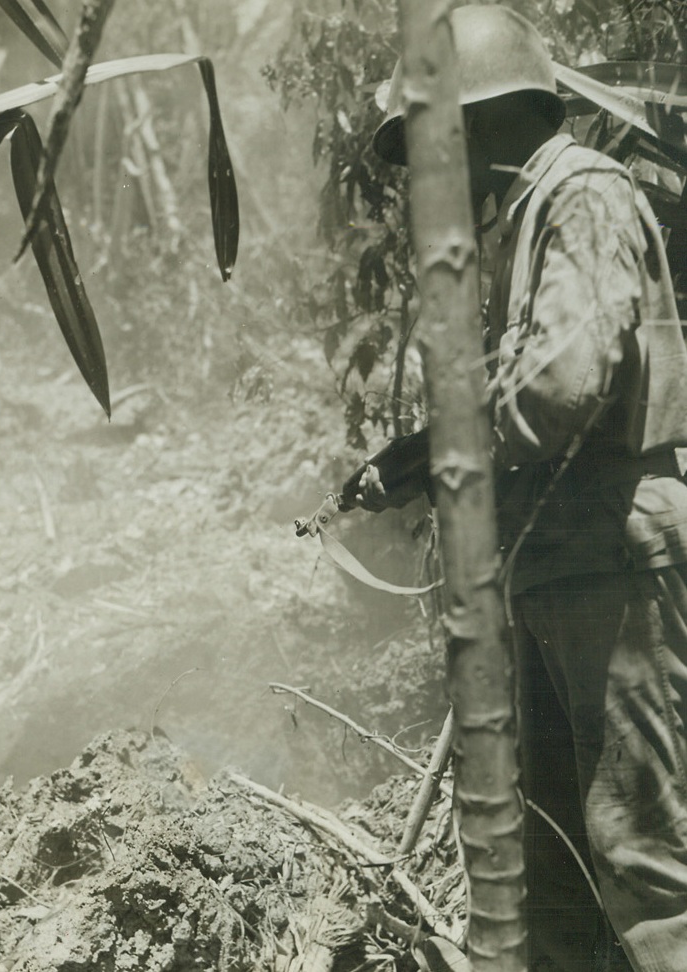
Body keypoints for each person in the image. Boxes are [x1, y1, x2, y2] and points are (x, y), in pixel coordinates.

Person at [364, 6, 687, 972]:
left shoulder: (582, 194)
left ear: (474, 125)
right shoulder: (526, 218)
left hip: (612, 573)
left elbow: (560, 385)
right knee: (545, 868)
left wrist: (448, 443)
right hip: (554, 576)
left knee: (645, 865)